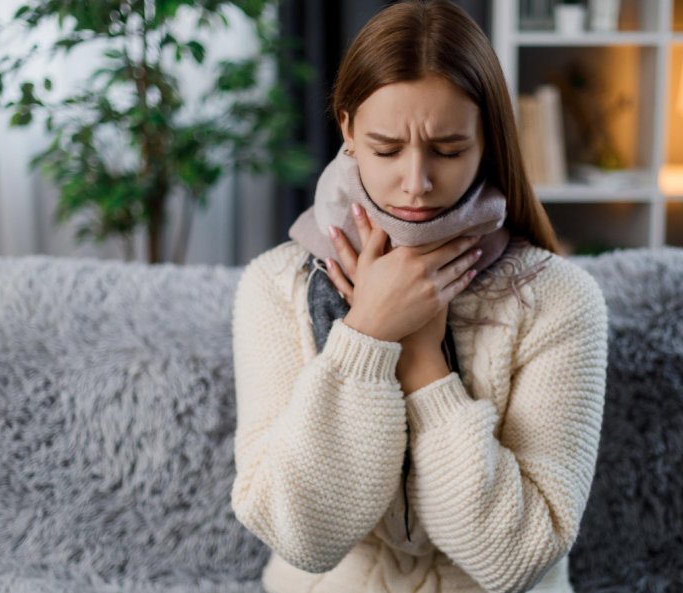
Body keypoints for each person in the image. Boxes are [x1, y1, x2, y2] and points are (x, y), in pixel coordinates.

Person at [229, 1, 609, 592]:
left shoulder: (558, 300)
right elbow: (300, 535)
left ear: (489, 140)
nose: (416, 182)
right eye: (386, 149)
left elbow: (518, 557)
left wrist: (424, 360)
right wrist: (368, 332)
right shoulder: (274, 288)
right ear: (348, 129)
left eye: (449, 149)